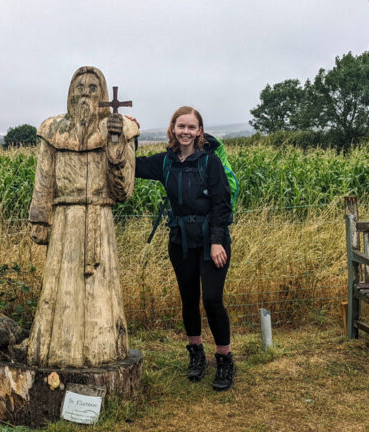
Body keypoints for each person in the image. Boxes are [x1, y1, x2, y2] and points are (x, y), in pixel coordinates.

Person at [26, 66, 139, 368]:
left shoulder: (119, 129)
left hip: (100, 220)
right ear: (70, 92)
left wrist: (115, 144)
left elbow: (123, 191)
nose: (85, 94)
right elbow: (44, 179)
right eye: (80, 87)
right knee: (63, 290)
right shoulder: (54, 130)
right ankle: (59, 351)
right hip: (65, 221)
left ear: (102, 93)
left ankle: (103, 349)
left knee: (99, 292)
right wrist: (39, 218)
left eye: (92, 88)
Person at [133, 106, 235, 391]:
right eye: (181, 126)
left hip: (212, 241)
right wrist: (131, 134)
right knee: (189, 299)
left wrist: (216, 241)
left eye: (191, 127)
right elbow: (133, 166)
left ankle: (225, 360)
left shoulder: (210, 162)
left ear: (199, 130)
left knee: (212, 299)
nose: (186, 132)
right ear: (173, 129)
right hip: (180, 241)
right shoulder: (165, 162)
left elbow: (222, 203)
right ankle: (196, 354)